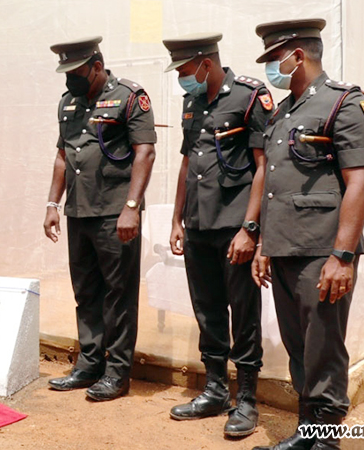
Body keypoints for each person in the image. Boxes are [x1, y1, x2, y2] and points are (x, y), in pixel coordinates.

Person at [250, 19, 364, 450]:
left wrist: (342, 256)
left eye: (275, 59)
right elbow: (273, 183)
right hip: (285, 247)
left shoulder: (344, 103)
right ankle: (308, 431)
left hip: (322, 249)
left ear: (297, 56)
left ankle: (326, 439)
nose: (272, 67)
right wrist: (265, 245)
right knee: (298, 347)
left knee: (324, 347)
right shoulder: (284, 111)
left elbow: (359, 182)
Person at [162, 33, 272, 437]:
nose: (181, 78)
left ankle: (246, 400)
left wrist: (250, 228)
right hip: (199, 224)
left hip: (234, 226)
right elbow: (188, 162)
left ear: (205, 64)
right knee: (207, 309)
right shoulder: (192, 103)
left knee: (243, 313)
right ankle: (215, 390)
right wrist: (177, 218)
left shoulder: (249, 96)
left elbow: (263, 166)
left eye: (185, 70)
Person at [43, 36, 157, 401]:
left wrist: (132, 206)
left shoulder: (129, 96)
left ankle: (118, 372)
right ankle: (89, 363)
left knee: (119, 295)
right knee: (86, 291)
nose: (68, 80)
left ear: (96, 66)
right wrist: (51, 204)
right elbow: (63, 156)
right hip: (79, 211)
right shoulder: (67, 102)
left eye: (74, 72)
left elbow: (146, 153)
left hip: (115, 214)